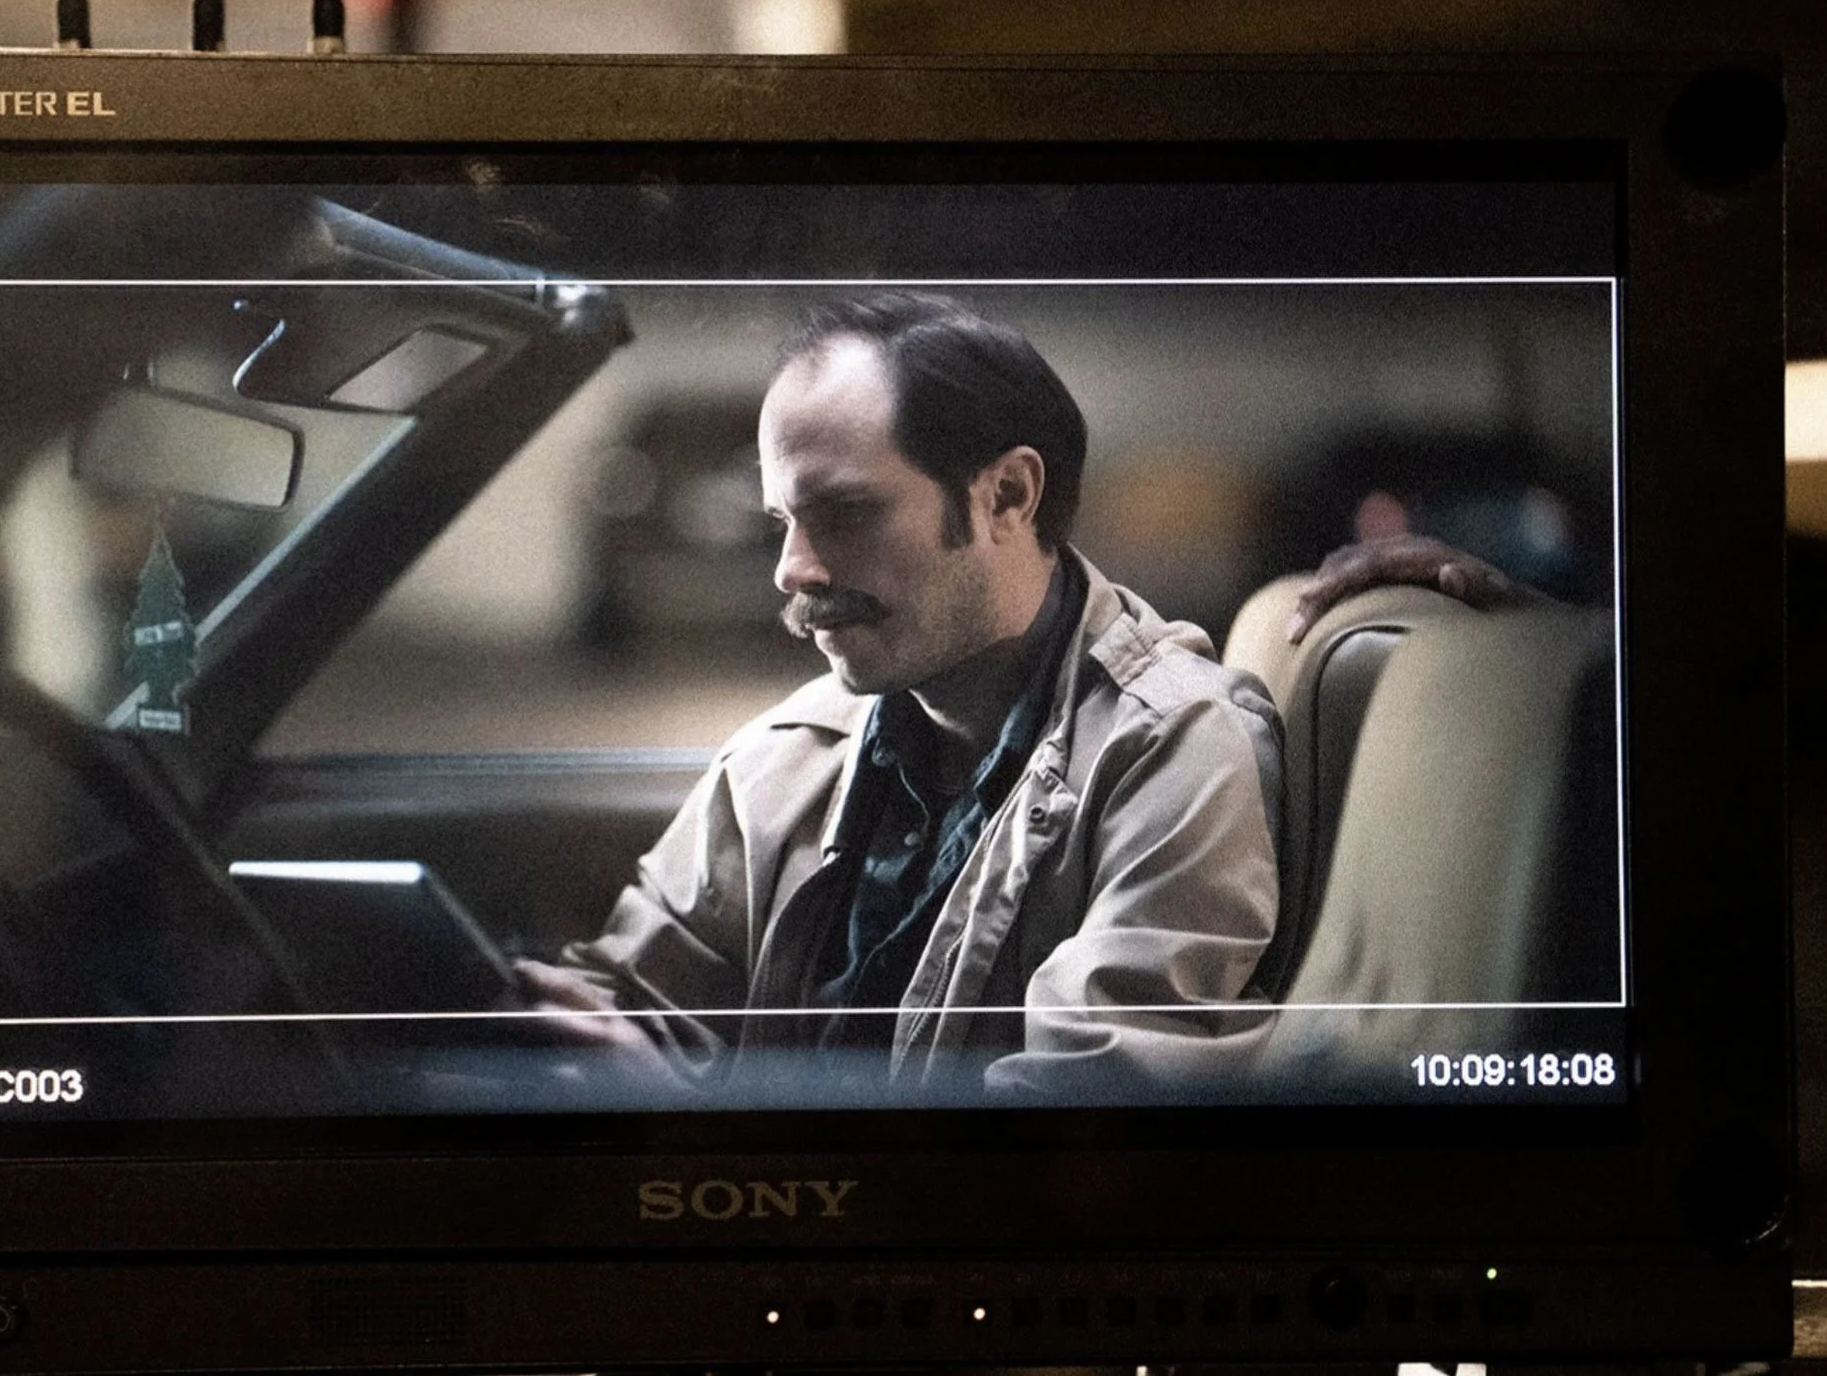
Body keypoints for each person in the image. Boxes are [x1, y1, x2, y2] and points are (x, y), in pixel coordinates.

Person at [514, 290, 1294, 1103]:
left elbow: (1083, 1140)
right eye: (783, 519)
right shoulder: (787, 754)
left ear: (1008, 497)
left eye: (846, 512)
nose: (793, 569)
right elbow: (634, 1004)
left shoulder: (1172, 748)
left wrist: (709, 1132)